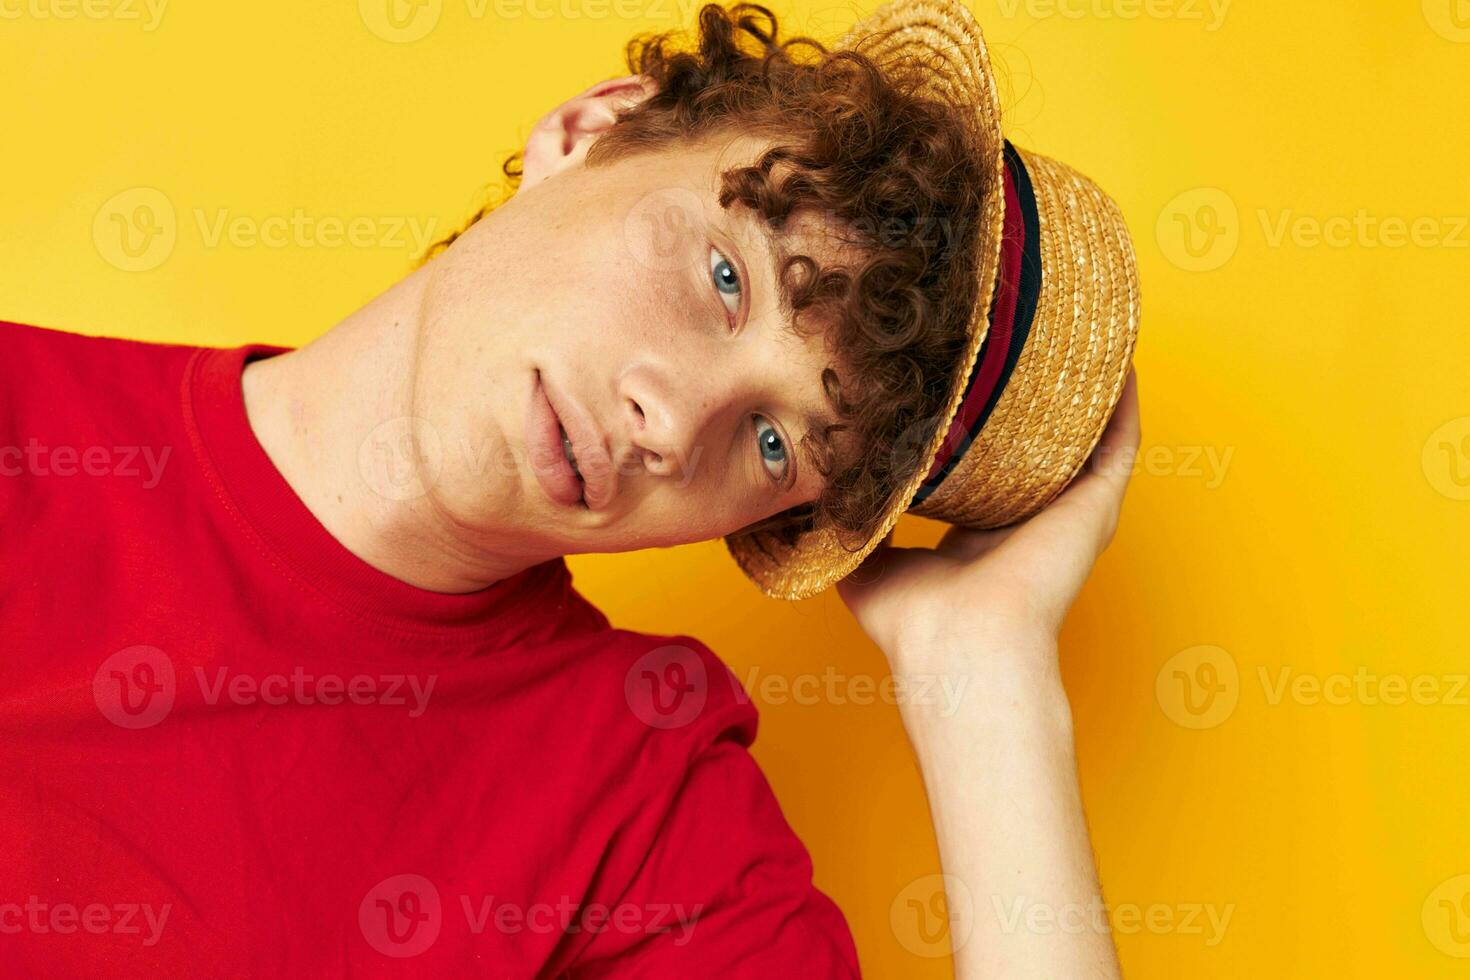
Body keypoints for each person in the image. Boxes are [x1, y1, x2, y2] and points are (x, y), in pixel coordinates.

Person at [0, 1, 1139, 976]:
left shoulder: (638, 800)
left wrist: (980, 681)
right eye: (725, 276)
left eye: (777, 443)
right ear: (592, 132)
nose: (675, 422)